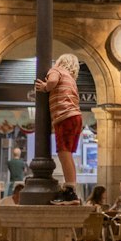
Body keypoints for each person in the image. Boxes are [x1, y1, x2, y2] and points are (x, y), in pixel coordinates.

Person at [34, 53, 82, 195]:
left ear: (60, 62)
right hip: (76, 117)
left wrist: (45, 87)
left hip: (65, 117)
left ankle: (69, 190)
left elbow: (53, 81)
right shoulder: (71, 78)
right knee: (68, 154)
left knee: (63, 153)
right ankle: (72, 186)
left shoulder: (56, 70)